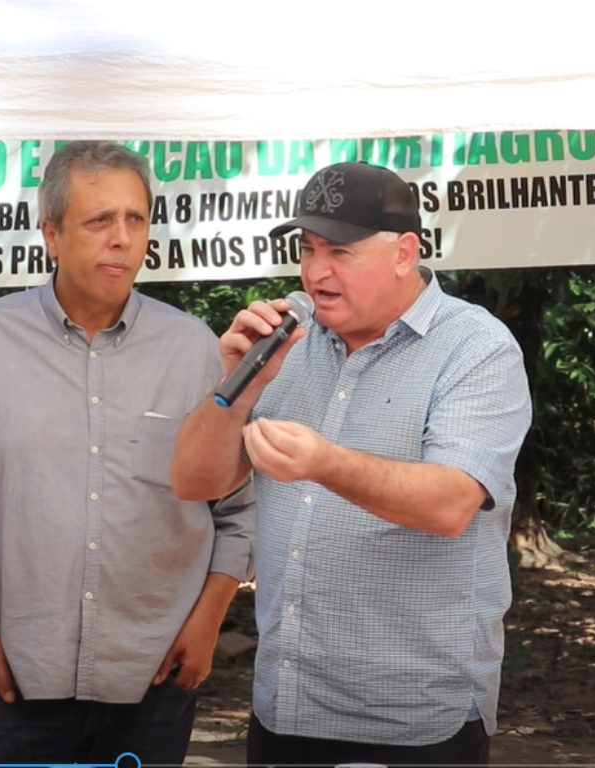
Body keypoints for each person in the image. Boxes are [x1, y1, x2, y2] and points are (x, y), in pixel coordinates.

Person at [171, 161, 532, 766]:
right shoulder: (287, 336)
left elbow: (450, 505)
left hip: (414, 717)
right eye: (308, 249)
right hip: (287, 705)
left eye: (340, 251)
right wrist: (236, 386)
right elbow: (193, 481)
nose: (316, 272)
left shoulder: (476, 347)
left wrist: (325, 464)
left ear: (404, 253)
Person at [0, 141, 253, 766]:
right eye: (99, 220)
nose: (121, 237)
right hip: (11, 678)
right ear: (51, 234)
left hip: (155, 678)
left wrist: (208, 620)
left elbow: (239, 508)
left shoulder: (194, 350)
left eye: (135, 219)